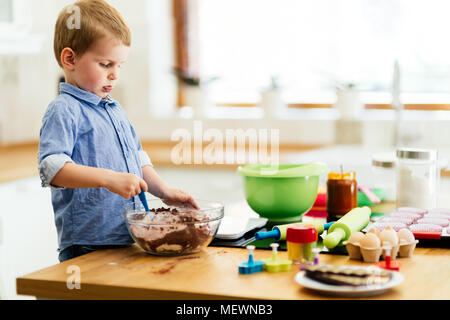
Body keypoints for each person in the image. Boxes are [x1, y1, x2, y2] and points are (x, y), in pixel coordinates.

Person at [38, 0, 198, 262]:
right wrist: (109, 178)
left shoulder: (113, 109)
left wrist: (164, 191)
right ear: (70, 58)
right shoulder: (64, 109)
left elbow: (137, 158)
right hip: (88, 243)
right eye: (105, 64)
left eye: (119, 65)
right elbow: (53, 168)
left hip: (127, 237)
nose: (114, 75)